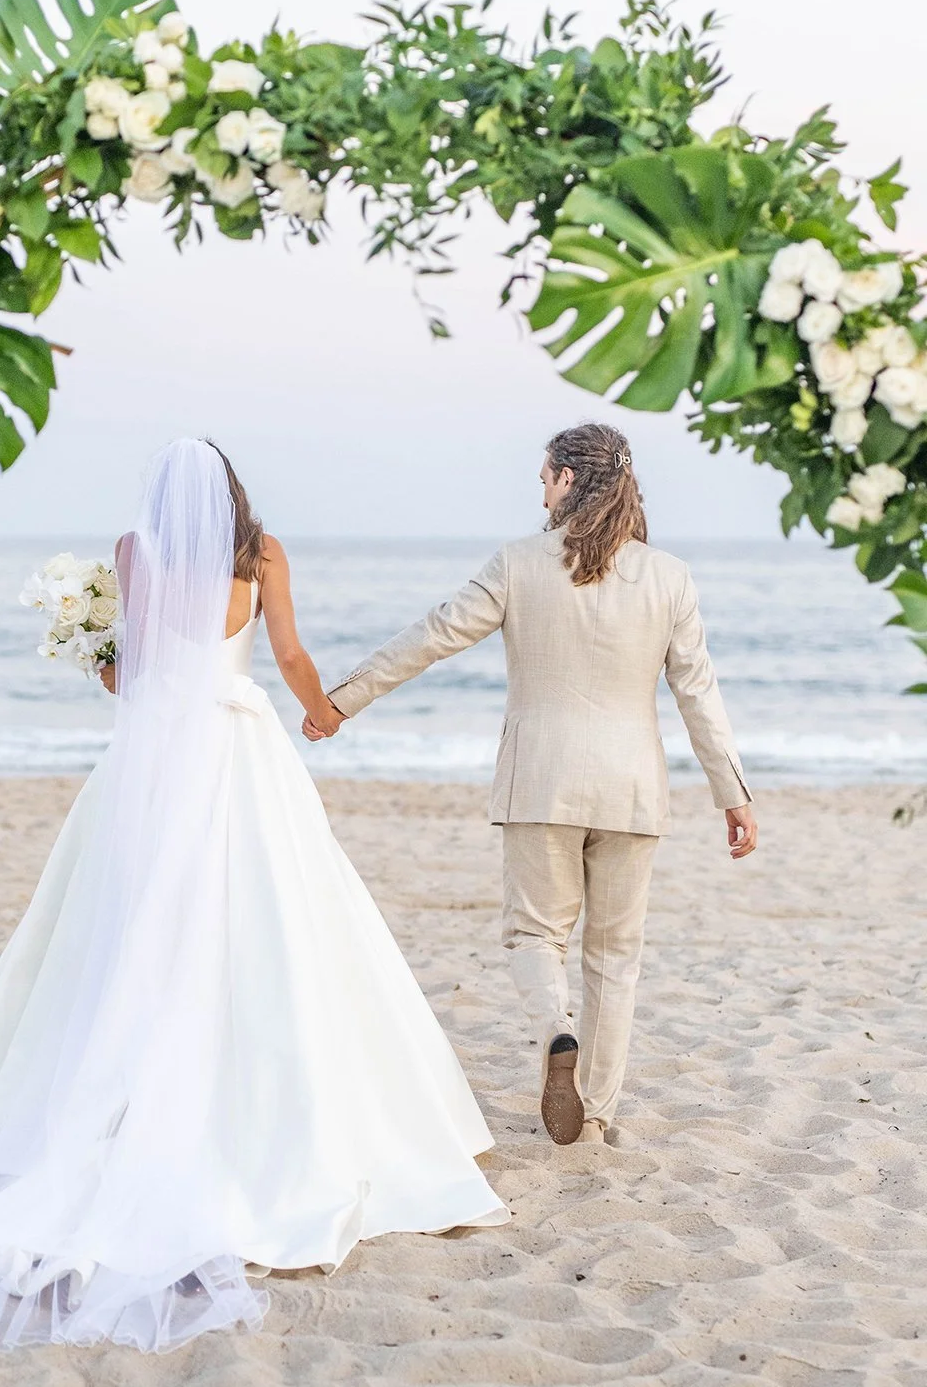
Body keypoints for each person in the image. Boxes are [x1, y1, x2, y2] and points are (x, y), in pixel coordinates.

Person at [0, 438, 506, 1354]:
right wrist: (323, 710)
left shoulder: (135, 554)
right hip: (240, 750)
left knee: (133, 922)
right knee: (276, 920)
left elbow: (133, 676)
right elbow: (287, 653)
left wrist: (93, 656)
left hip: (156, 761)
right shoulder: (263, 552)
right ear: (232, 493)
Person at [306, 422, 757, 1148]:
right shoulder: (670, 576)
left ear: (570, 480)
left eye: (545, 476)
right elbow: (697, 692)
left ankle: (556, 1032)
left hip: (540, 783)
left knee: (533, 935)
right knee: (615, 955)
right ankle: (599, 1110)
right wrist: (732, 794)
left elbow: (434, 635)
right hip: (633, 791)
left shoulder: (518, 564)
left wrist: (340, 702)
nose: (540, 489)